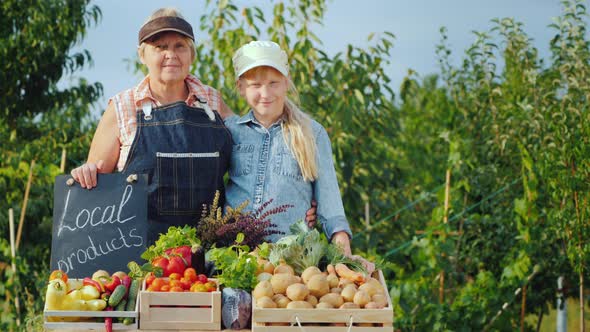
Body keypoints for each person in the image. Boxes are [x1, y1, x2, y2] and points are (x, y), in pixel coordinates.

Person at [70, 9, 315, 245]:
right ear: (142, 55)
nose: (171, 54)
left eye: (180, 46)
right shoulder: (122, 108)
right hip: (140, 257)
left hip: (209, 256)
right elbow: (98, 191)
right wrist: (87, 174)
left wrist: (296, 199)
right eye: (160, 47)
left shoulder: (213, 102)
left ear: (191, 55)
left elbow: (254, 158)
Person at [226, 41, 375, 273]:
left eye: (273, 83)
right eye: (255, 85)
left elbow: (328, 194)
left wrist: (342, 245)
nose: (265, 93)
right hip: (235, 256)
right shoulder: (230, 131)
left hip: (293, 263)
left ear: (286, 82)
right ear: (241, 87)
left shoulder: (311, 133)